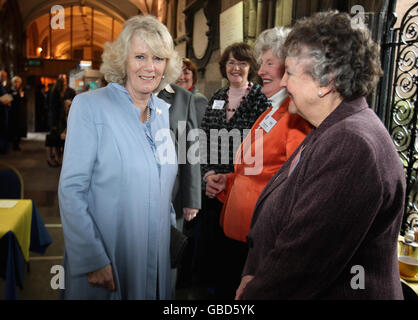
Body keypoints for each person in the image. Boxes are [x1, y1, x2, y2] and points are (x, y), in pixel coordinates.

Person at [236, 11, 406, 300]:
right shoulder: (332, 127)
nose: (285, 83)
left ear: (326, 81)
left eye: (289, 72)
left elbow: (303, 261)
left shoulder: (352, 144)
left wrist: (253, 292)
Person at [58, 14, 181, 300]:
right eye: (140, 56)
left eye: (158, 58)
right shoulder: (90, 107)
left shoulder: (162, 113)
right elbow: (71, 190)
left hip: (156, 255)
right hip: (108, 256)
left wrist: (171, 239)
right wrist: (92, 258)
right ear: (122, 60)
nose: (150, 67)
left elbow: (164, 186)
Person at [205, 27, 312, 299]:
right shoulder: (273, 110)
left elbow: (292, 186)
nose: (261, 69)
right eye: (261, 62)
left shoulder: (294, 115)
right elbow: (256, 171)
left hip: (259, 240)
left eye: (269, 63)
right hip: (239, 232)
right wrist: (226, 181)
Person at [194, 42, 270, 299]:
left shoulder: (261, 99)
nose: (235, 68)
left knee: (237, 255)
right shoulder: (216, 97)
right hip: (214, 187)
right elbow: (203, 140)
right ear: (224, 67)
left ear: (252, 67)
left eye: (242, 63)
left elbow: (262, 148)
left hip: (243, 191)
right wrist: (208, 174)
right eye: (231, 63)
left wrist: (231, 179)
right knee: (213, 251)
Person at [157, 83, 201, 292]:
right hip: (131, 198)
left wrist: (191, 199)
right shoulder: (126, 90)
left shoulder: (183, 98)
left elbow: (190, 150)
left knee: (167, 260)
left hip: (172, 197)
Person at [176, 58, 208, 126]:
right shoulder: (174, 98)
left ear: (193, 77)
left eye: (186, 73)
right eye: (177, 73)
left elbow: (198, 131)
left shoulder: (198, 99)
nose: (181, 77)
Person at [8, 76, 26, 151]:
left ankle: (17, 144)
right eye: (15, 82)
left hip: (20, 113)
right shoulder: (10, 91)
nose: (17, 84)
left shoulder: (21, 91)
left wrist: (21, 96)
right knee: (13, 130)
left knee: (19, 129)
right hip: (12, 113)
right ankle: (13, 145)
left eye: (18, 82)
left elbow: (24, 100)